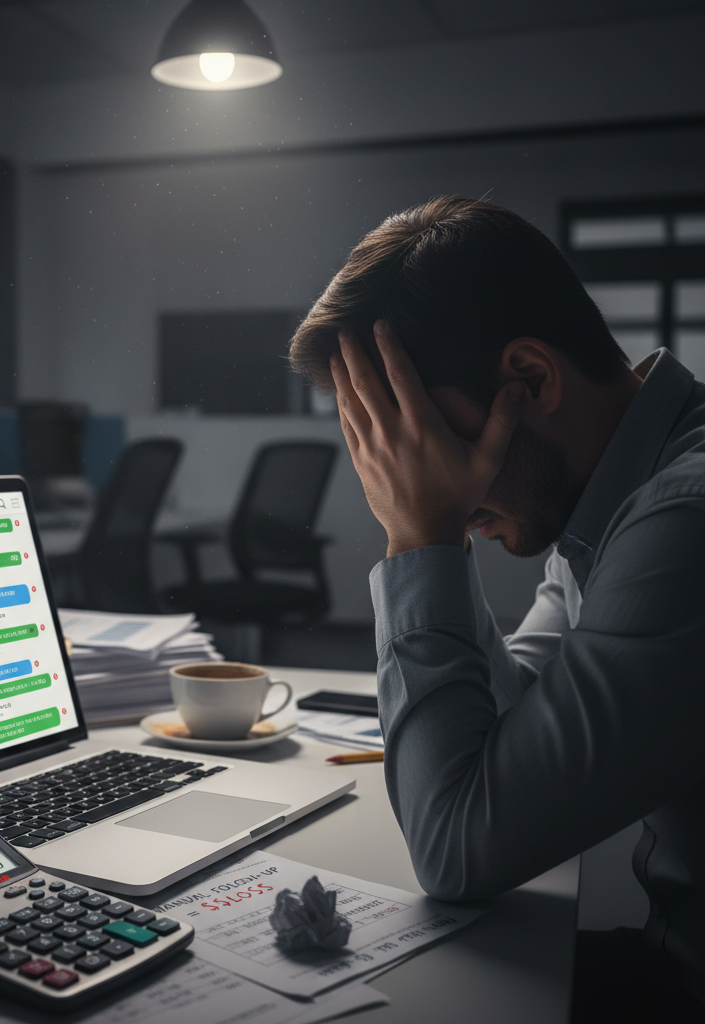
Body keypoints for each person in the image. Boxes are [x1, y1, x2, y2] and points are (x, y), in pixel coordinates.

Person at [288, 197, 703, 1020]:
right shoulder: (611, 511)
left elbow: (458, 844)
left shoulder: (683, 522)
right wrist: (429, 530)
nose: (415, 473)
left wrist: (419, 536)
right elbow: (510, 715)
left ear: (532, 379)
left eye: (423, 436)